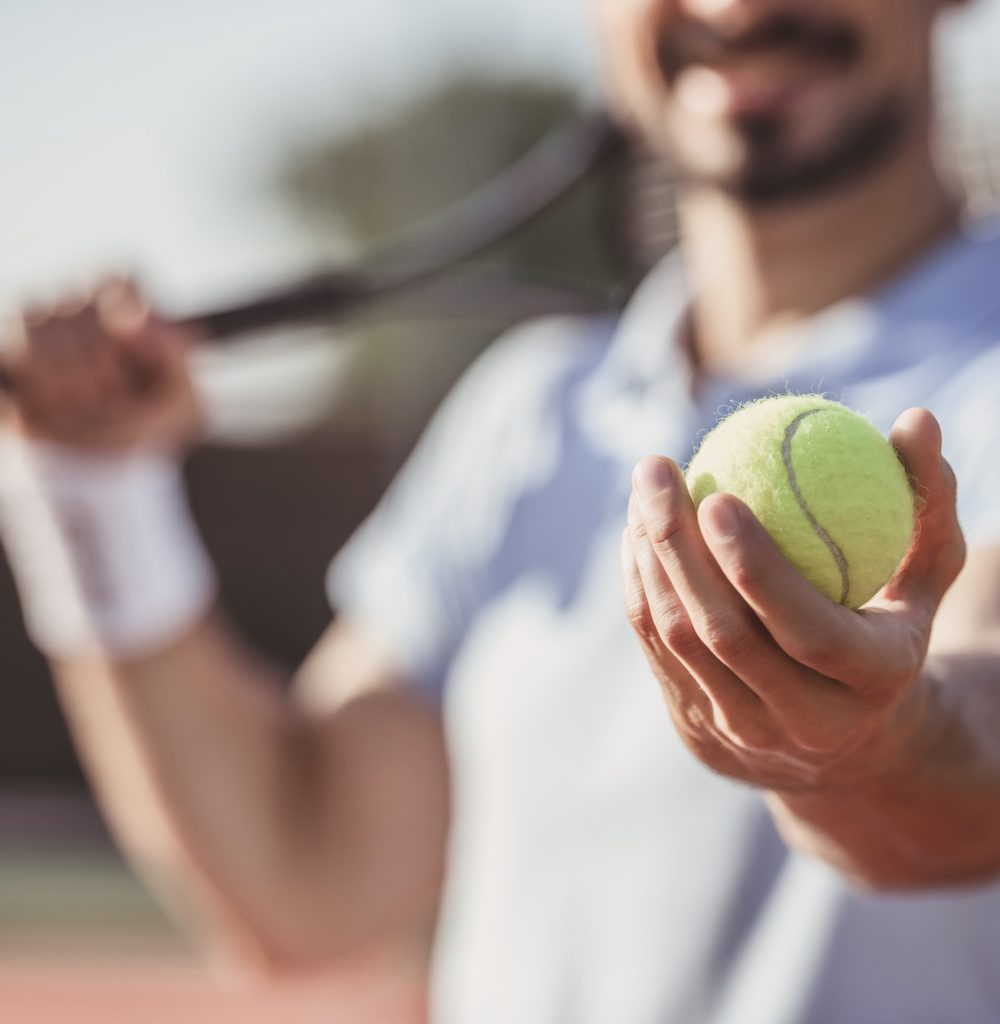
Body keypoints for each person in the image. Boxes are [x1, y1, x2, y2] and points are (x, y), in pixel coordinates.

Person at [3, 0, 1000, 1020]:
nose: (733, 6)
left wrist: (869, 747)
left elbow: (981, 757)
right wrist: (95, 494)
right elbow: (299, 884)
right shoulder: (525, 412)